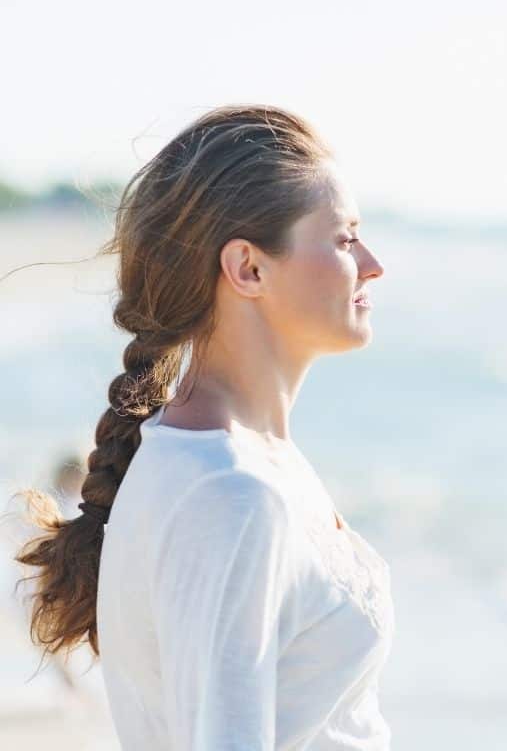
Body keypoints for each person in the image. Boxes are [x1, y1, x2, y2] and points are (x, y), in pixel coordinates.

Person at [8, 104, 393, 750]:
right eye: (345, 237)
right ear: (248, 268)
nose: (373, 263)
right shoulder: (230, 495)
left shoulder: (240, 463)